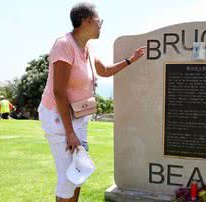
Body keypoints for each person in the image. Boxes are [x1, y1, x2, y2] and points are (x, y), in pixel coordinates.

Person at [37, 2, 145, 201]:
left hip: (79, 117)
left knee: (79, 171)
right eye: (99, 21)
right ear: (87, 21)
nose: (100, 25)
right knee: (68, 177)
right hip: (58, 118)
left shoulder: (88, 47)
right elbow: (59, 92)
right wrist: (69, 133)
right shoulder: (64, 45)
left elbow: (104, 70)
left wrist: (131, 60)